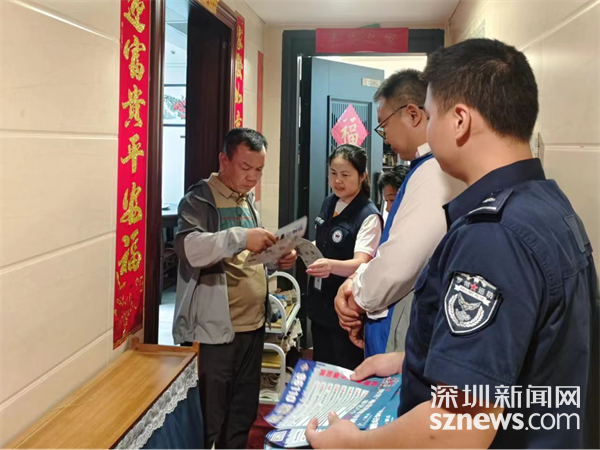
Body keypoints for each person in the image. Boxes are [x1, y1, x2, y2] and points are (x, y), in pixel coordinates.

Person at [306, 38, 596, 450]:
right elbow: (522, 354)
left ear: (459, 120)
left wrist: (352, 444)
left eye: (430, 114)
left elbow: (458, 427)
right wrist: (411, 362)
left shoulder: (494, 236)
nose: (426, 128)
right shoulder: (547, 203)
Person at [172, 128, 297, 450]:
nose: (252, 177)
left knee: (242, 413)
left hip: (252, 327)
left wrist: (276, 259)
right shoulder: (199, 200)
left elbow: (246, 260)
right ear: (224, 160)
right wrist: (241, 236)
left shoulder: (246, 200)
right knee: (209, 417)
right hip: (215, 333)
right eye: (245, 167)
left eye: (259, 170)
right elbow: (189, 248)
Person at [334, 70, 464, 356]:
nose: (385, 136)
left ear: (413, 114)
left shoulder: (433, 172)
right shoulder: (427, 167)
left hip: (405, 323)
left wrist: (356, 294)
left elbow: (399, 266)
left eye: (384, 125)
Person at [305, 144, 382, 369]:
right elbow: (325, 243)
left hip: (346, 311)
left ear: (362, 176)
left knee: (344, 371)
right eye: (333, 173)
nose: (337, 180)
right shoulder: (330, 202)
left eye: (345, 175)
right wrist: (301, 249)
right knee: (321, 368)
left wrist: (329, 265)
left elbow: (362, 263)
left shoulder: (368, 216)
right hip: (320, 304)